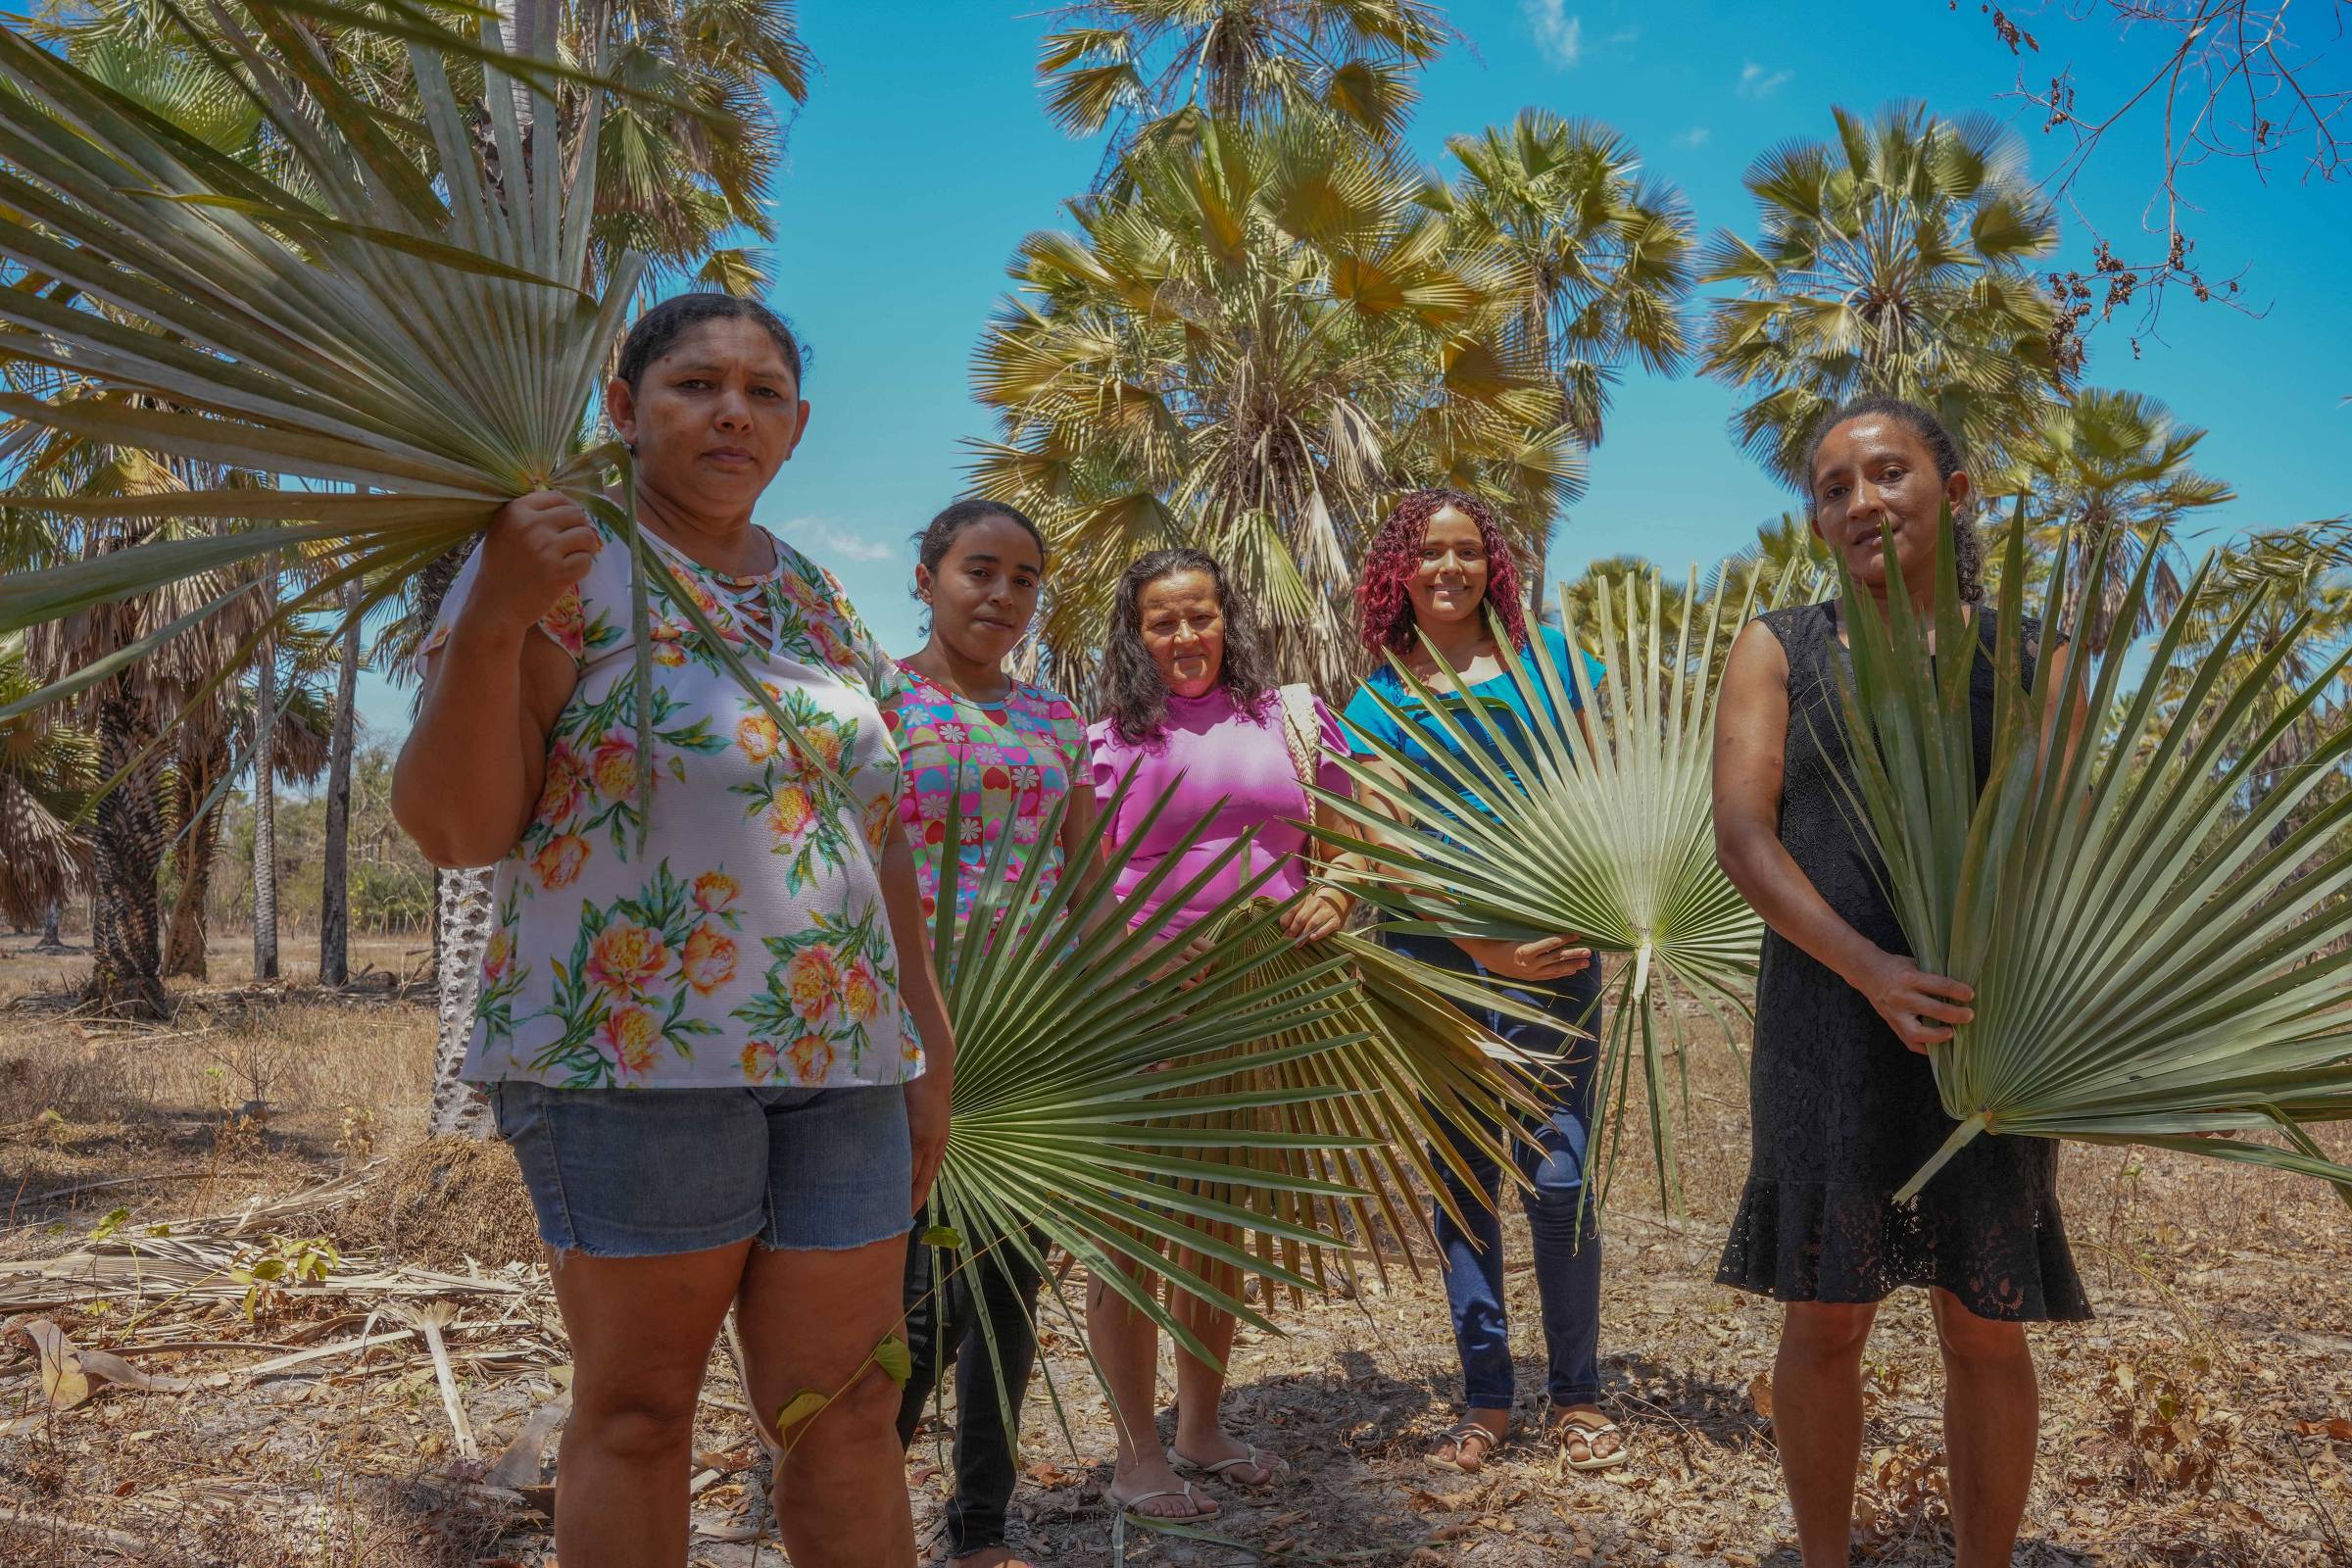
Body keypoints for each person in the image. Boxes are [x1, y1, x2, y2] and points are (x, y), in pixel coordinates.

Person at [391, 293, 956, 1568]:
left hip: (847, 1070)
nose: (732, 411)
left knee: (852, 1409)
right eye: (697, 383)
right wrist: (490, 620)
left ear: (798, 429)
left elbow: (879, 832)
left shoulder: (815, 597)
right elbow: (456, 827)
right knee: (641, 1420)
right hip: (633, 1067)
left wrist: (929, 1041)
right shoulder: (561, 559)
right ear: (624, 408)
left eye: (763, 392)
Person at [1710, 395, 2090, 1568]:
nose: (1862, 501)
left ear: (1955, 489)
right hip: (1829, 1015)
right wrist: (1871, 970)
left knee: (1985, 1325)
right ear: (1817, 519)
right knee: (1826, 1319)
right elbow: (1744, 834)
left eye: (1887, 472)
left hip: (1983, 1031)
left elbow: (2061, 835)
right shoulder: (1780, 646)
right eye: (1834, 487)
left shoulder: (2040, 655)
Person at [1340, 488, 1625, 1476]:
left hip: (1553, 958)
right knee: (1464, 1186)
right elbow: (1383, 842)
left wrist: (1601, 911)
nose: (1449, 568)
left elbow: (1597, 793)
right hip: (1434, 963)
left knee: (1560, 1179)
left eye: (1467, 551)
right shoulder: (1381, 696)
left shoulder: (1554, 667)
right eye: (1429, 554)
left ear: (1491, 564)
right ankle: (1489, 1398)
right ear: (1400, 573)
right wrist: (1478, 946)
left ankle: (1579, 1393)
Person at [1084, 548, 1357, 1522]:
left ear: (1225, 619)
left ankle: (1201, 1428)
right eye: (1162, 620)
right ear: (1136, 632)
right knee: (1133, 1233)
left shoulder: (1288, 717)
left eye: (1200, 615)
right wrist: (1134, 971)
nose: (1186, 636)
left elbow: (1363, 837)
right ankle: (1135, 1452)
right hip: (1142, 1011)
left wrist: (1335, 887)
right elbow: (1080, 887)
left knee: (1219, 1224)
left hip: (1264, 1006)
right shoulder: (1107, 740)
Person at [884, 498, 1094, 1568]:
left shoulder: (1058, 721)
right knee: (910, 1307)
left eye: (1023, 579)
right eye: (979, 570)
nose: (1001, 596)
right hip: (898, 1036)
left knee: (1006, 1294)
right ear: (925, 576)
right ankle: (852, 1511)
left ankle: (979, 1527)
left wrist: (1108, 1017)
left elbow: (1084, 877)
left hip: (1032, 1045)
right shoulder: (873, 698)